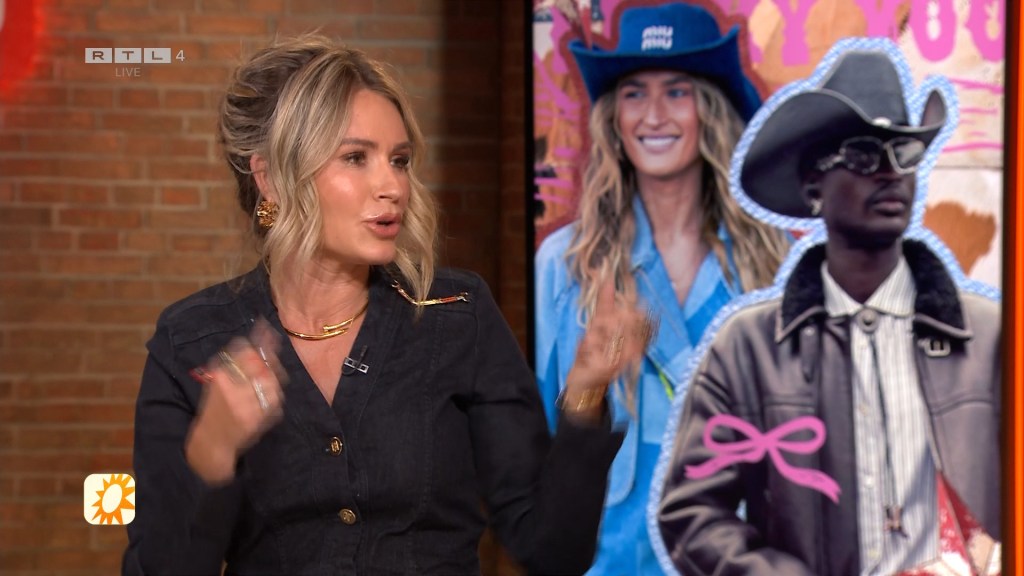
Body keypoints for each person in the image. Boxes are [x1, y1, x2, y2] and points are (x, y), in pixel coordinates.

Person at [122, 35, 655, 575]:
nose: (393, 186)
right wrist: (212, 454)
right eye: (356, 157)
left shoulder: (457, 313)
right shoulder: (191, 339)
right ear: (271, 179)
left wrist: (587, 391)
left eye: (399, 161)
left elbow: (552, 552)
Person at [657, 48, 1001, 575]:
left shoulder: (991, 337)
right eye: (863, 155)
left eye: (905, 153)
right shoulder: (748, 349)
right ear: (813, 186)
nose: (890, 173)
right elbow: (692, 513)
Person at [534, 3, 790, 574]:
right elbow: (535, 458)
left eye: (677, 92)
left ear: (710, 110)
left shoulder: (772, 264)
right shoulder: (563, 266)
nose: (653, 115)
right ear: (614, 117)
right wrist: (587, 391)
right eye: (634, 94)